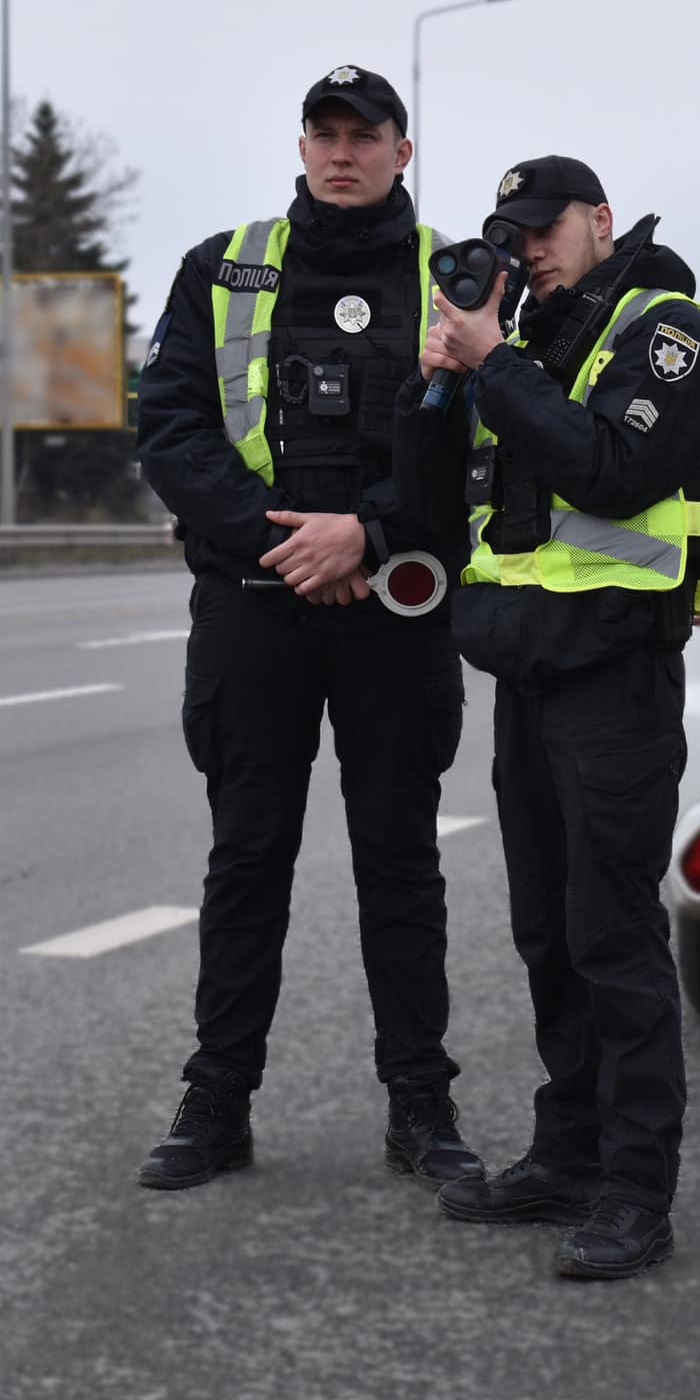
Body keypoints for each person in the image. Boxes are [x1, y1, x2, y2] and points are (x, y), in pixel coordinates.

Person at [133, 65, 480, 1193]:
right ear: (300, 147)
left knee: (400, 861)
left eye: (363, 136)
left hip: (395, 609)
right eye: (324, 134)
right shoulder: (221, 266)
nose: (342, 153)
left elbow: (479, 447)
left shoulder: (457, 279)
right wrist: (289, 545)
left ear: (401, 151)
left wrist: (365, 537)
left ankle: (421, 1106)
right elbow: (171, 430)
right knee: (247, 858)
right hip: (255, 605)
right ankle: (216, 1102)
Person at [393, 156, 700, 1277]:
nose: (530, 248)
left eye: (547, 228)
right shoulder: (528, 346)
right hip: (528, 674)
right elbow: (428, 498)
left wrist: (495, 363)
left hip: (616, 677)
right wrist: (440, 380)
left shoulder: (669, 332)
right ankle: (568, 1152)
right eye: (514, 232)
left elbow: (611, 469)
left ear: (601, 220)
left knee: (612, 933)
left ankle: (636, 1189)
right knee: (545, 929)